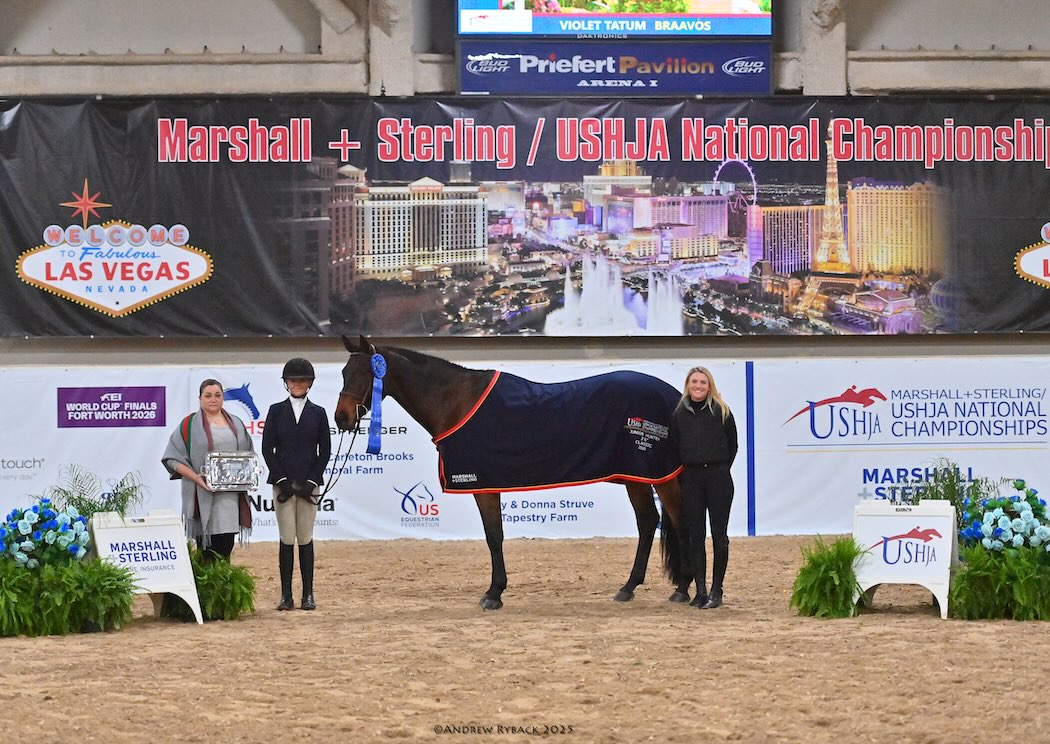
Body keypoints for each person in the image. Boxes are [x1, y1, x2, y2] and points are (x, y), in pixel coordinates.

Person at [261, 358, 332, 611]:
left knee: (305, 538)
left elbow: (324, 451)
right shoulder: (275, 411)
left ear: (309, 384)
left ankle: (308, 594)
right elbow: (267, 449)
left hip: (308, 486)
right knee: (285, 538)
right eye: (293, 380)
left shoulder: (319, 413)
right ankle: (286, 595)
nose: (298, 384)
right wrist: (282, 480)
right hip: (283, 485)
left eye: (302, 380)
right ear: (286, 383)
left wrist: (311, 481)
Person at [162, 378, 254, 561]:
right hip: (203, 496)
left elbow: (247, 456)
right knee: (206, 550)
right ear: (200, 398)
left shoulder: (236, 423)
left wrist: (248, 476)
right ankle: (206, 588)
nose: (213, 399)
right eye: (208, 395)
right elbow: (172, 458)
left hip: (230, 497)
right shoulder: (188, 426)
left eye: (218, 395)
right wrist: (197, 479)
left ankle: (222, 587)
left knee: (226, 546)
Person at [669, 366, 738, 610]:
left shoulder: (721, 411)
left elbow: (733, 445)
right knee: (695, 537)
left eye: (703, 382)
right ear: (688, 385)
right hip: (692, 479)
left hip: (718, 478)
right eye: (694, 382)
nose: (698, 386)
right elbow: (674, 447)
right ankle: (700, 590)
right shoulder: (678, 415)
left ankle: (717, 590)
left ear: (710, 386)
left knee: (720, 537)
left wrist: (718, 468)